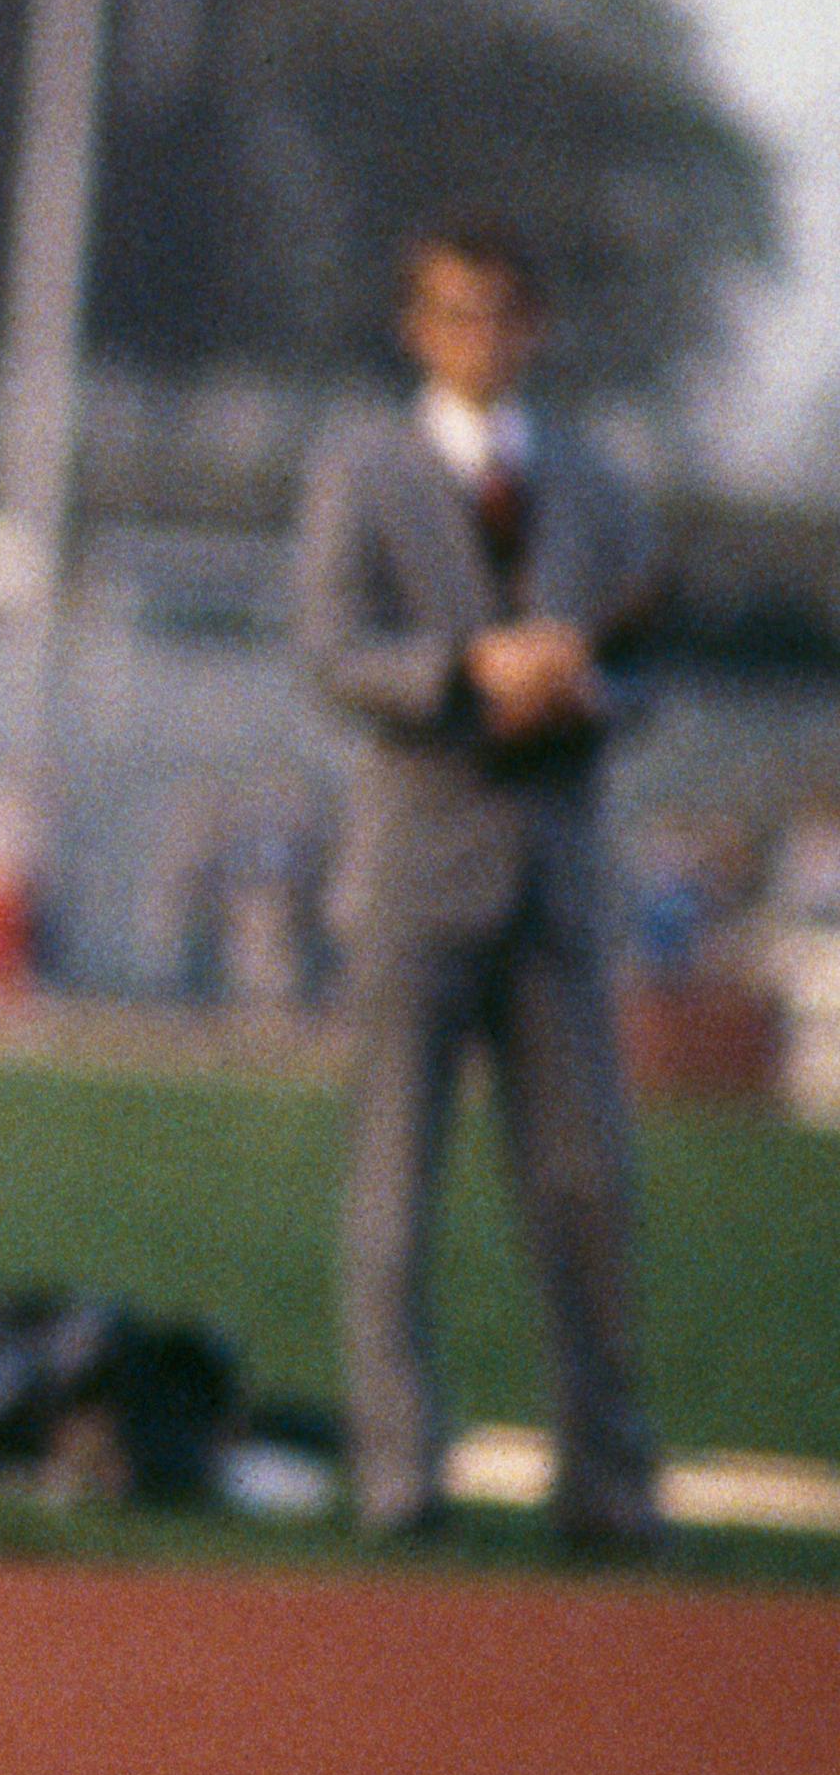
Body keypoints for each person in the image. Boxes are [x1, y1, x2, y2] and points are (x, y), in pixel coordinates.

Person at [290, 216, 667, 1553]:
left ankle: (610, 1484)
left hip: (556, 878)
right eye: (454, 313)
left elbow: (648, 665)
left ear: (537, 326)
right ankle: (402, 1473)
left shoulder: (597, 480)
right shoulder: (364, 469)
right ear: (415, 327)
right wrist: (464, 673)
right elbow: (331, 649)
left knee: (588, 1189)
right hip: (415, 874)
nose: (481, 338)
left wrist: (589, 690)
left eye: (504, 313)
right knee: (394, 1187)